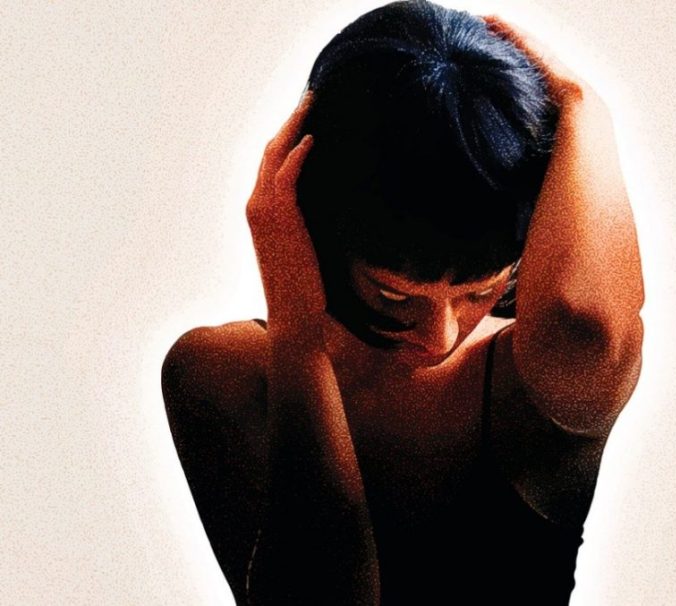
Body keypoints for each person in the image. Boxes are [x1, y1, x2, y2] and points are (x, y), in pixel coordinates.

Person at [161, 1, 644, 604]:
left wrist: (581, 105)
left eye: (478, 291)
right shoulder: (224, 375)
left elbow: (583, 323)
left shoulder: (535, 383)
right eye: (394, 293)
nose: (441, 336)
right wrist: (297, 331)